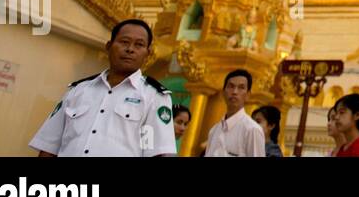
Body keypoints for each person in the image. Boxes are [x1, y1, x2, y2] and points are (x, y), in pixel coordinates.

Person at [29, 18, 177, 157]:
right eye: (124, 42)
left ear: (147, 53)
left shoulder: (153, 97)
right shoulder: (78, 90)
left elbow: (156, 152)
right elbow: (49, 146)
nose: (130, 49)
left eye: (139, 45)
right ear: (109, 46)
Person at [203, 69, 265, 157]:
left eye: (241, 87)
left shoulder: (252, 129)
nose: (235, 92)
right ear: (223, 92)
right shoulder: (214, 130)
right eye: (231, 86)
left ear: (248, 95)